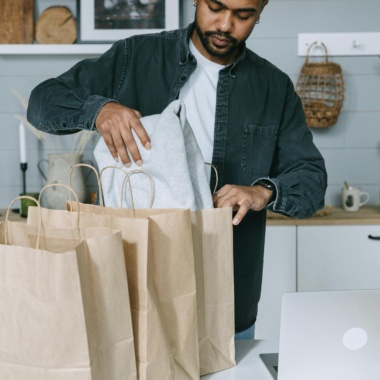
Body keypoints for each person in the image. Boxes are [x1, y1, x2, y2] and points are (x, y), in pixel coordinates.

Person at [27, 0, 327, 337]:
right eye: (216, 7)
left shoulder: (274, 87)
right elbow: (42, 103)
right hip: (129, 288)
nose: (225, 25)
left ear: (261, 11)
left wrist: (262, 191)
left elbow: (312, 182)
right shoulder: (134, 57)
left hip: (226, 297)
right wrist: (99, 110)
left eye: (243, 15)